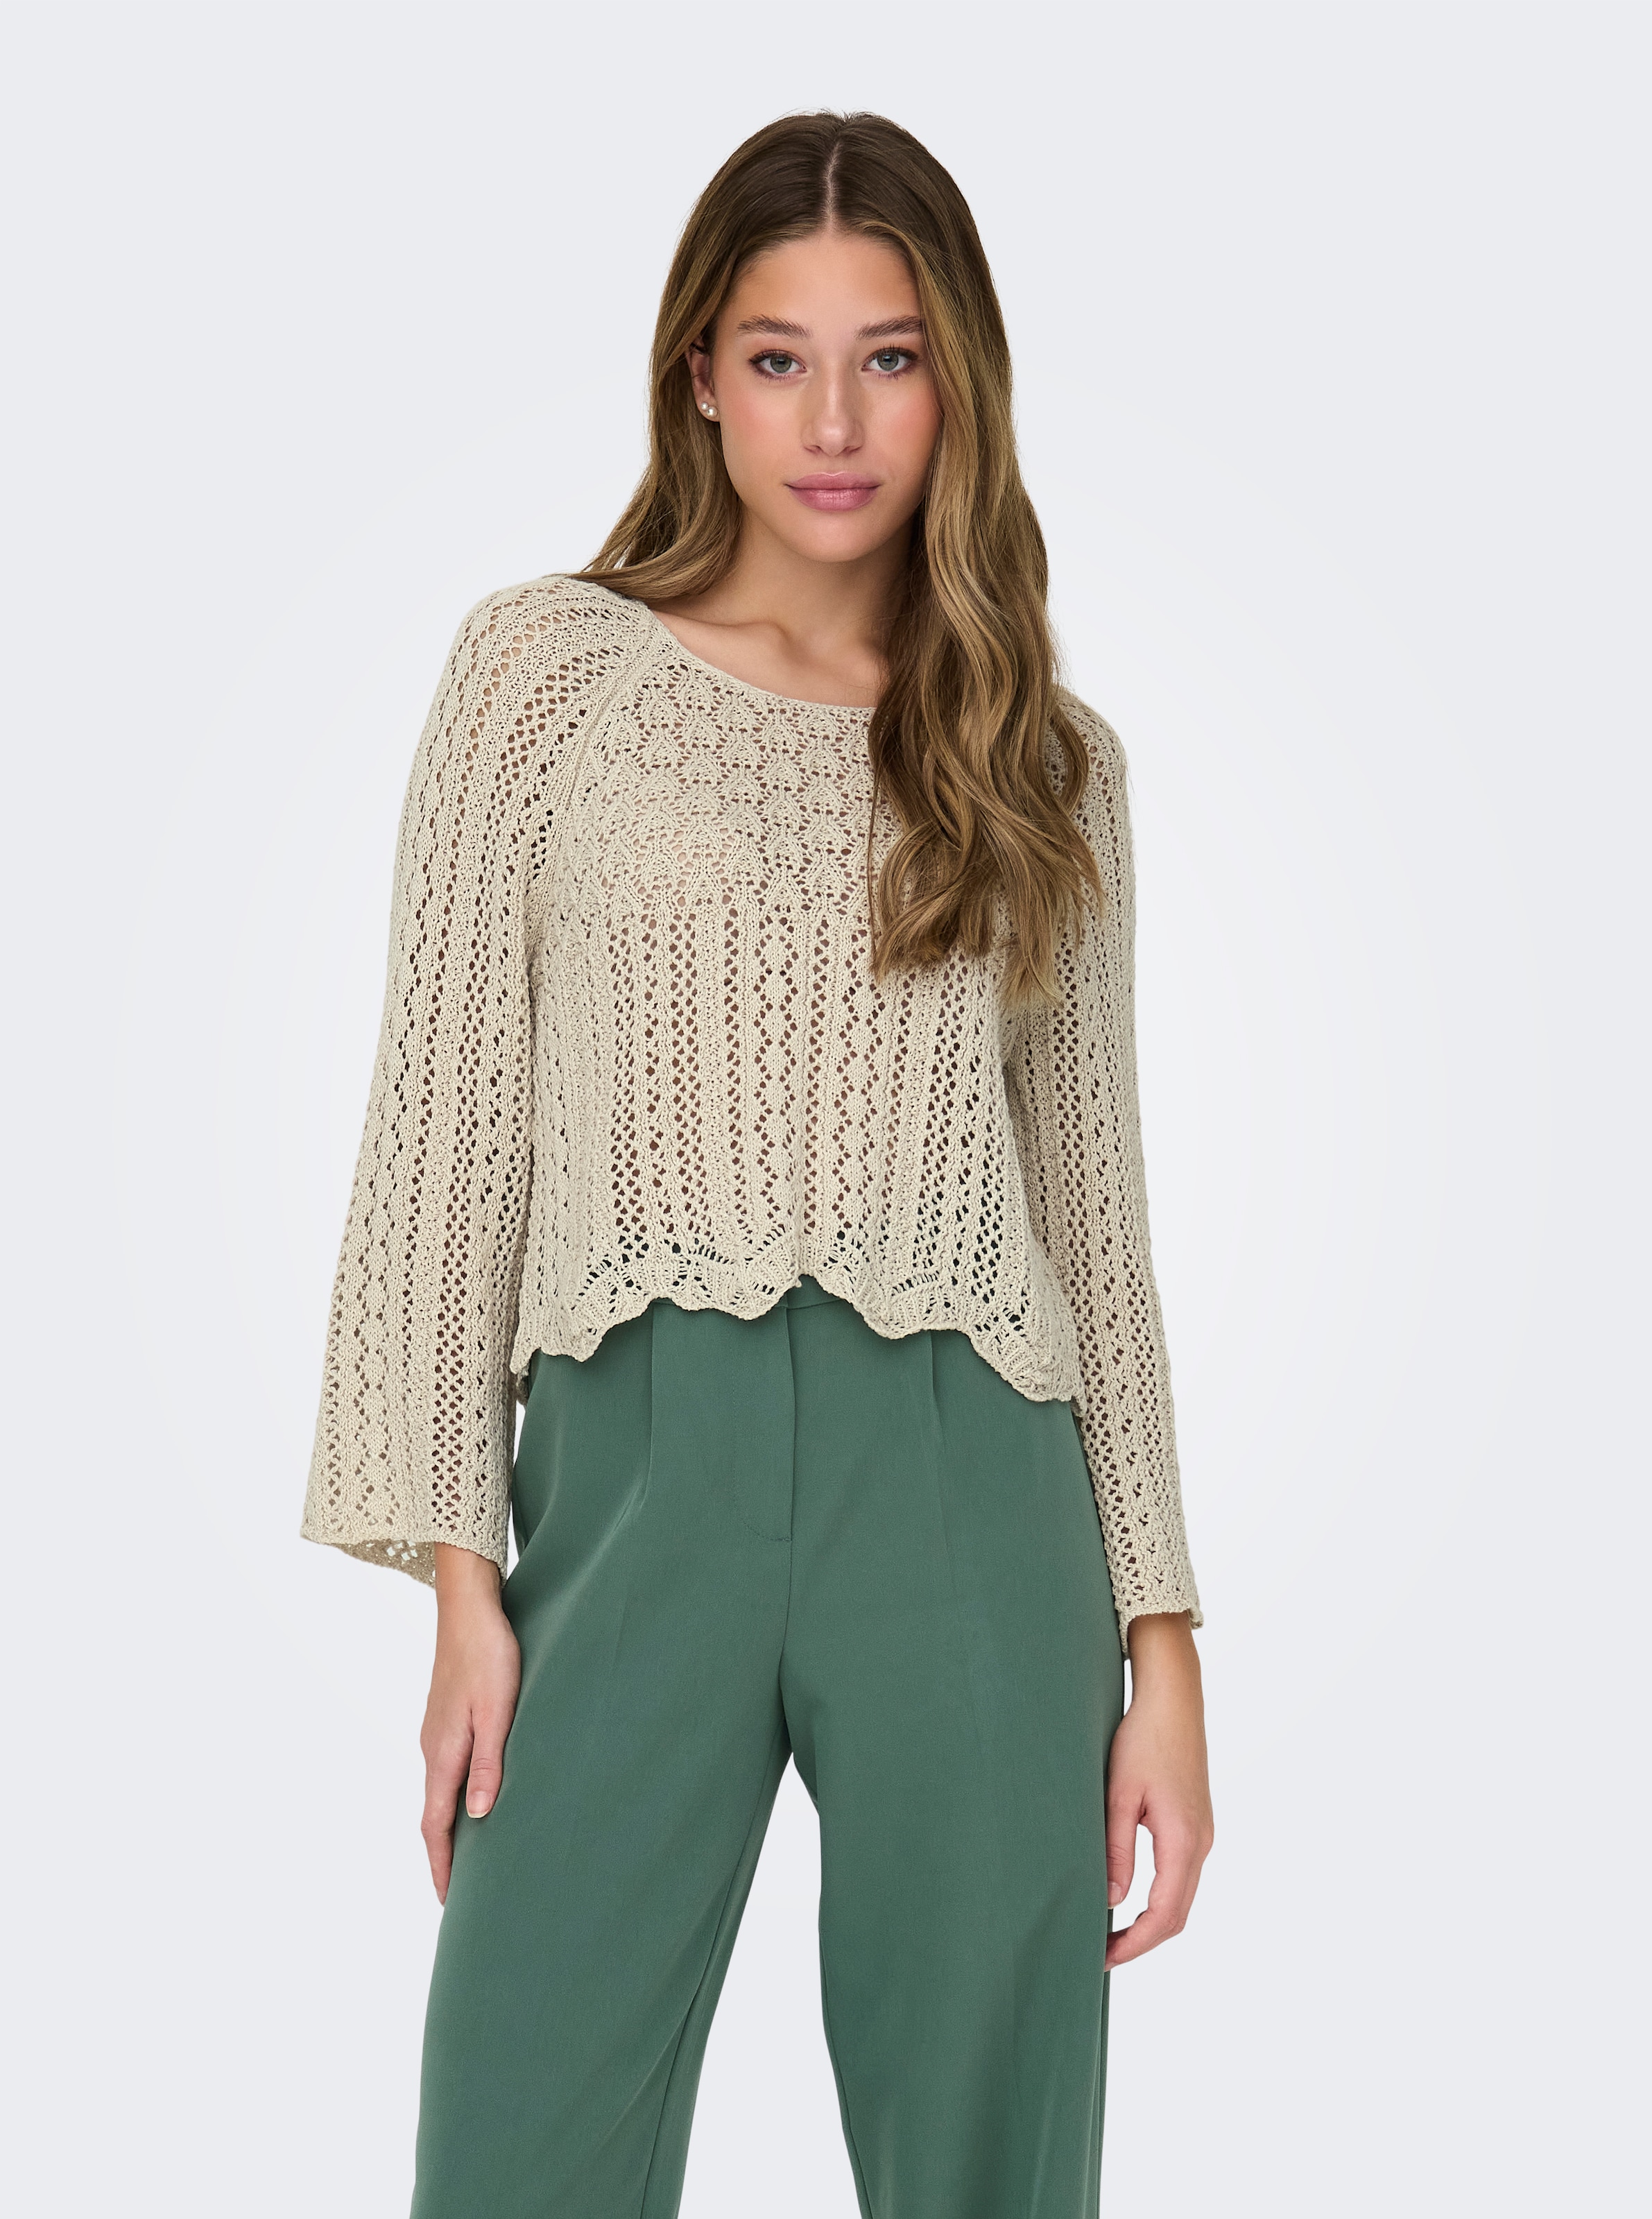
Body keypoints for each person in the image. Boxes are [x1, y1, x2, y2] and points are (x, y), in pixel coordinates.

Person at [303, 109, 1212, 2219]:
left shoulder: (1043, 759)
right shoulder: (541, 677)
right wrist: (459, 1582)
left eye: (890, 359)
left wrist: (1162, 1653)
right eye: (779, 356)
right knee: (519, 2139)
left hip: (970, 1487)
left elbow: (1096, 1219)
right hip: (634, 1480)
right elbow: (442, 1133)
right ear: (698, 374)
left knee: (989, 2164)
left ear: (958, 382)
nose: (834, 422)